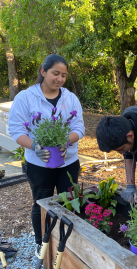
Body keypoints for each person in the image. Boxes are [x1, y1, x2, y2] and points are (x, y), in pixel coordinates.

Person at [8, 54, 85, 255]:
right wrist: (34, 147)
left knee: (70, 202)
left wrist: (67, 140)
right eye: (55, 73)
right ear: (43, 72)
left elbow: (79, 127)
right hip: (38, 164)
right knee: (41, 203)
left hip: (67, 161)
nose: (59, 79)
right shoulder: (25, 97)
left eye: (64, 75)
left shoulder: (70, 98)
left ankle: (68, 247)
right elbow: (16, 130)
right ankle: (40, 244)